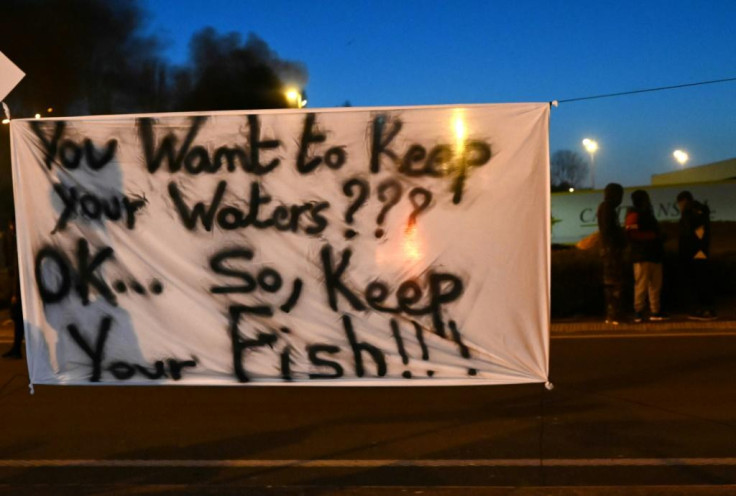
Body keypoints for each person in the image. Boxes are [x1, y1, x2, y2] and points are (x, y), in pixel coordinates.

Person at [625, 190, 668, 322]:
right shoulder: (637, 214)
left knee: (649, 285)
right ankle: (645, 311)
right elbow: (631, 234)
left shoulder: (636, 214)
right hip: (645, 255)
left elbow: (631, 233)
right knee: (647, 286)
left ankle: (649, 311)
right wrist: (655, 237)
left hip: (647, 255)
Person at [676, 191, 716, 320]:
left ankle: (700, 310)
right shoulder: (702, 211)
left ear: (683, 201)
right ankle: (708, 309)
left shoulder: (689, 212)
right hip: (702, 251)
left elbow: (687, 233)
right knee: (703, 281)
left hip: (692, 253)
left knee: (695, 282)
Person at [597, 183, 626, 324]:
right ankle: (614, 314)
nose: (621, 199)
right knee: (614, 283)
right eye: (620, 195)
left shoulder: (605, 207)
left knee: (611, 284)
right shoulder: (607, 208)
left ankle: (612, 314)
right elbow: (609, 230)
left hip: (608, 250)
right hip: (611, 251)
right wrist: (621, 238)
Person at [2, 219, 24, 359]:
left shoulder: (18, 243)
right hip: (18, 287)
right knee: (18, 318)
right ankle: (16, 348)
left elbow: (16, 269)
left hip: (19, 289)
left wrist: (15, 293)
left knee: (17, 317)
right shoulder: (15, 239)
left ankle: (16, 348)